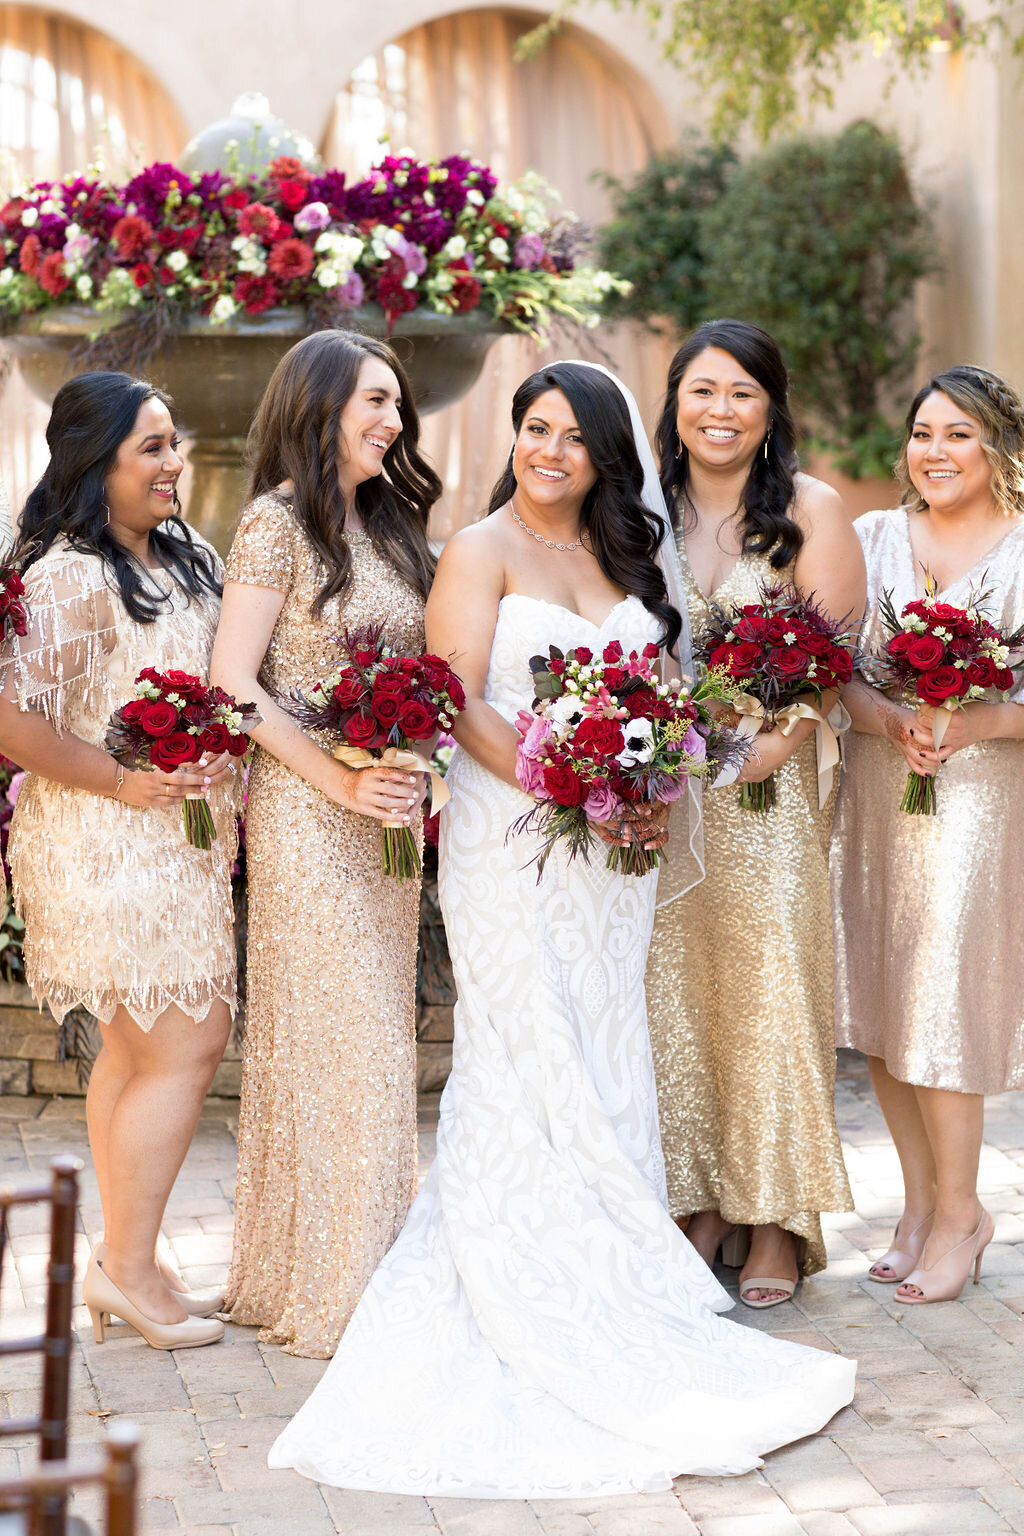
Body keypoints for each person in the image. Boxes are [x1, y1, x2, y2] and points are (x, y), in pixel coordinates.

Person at [267, 361, 855, 1496]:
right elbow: (457, 694)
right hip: (513, 840)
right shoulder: (478, 549)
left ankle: (618, 1269)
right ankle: (524, 1274)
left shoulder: (626, 554)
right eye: (533, 428)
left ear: (603, 454)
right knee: (521, 1042)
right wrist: (565, 775)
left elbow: (662, 693)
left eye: (572, 436)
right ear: (515, 438)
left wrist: (643, 778)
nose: (549, 450)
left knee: (603, 1043)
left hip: (615, 854)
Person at [0, 371, 240, 1350]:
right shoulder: (67, 576)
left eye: (174, 443)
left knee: (142, 1048)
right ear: (94, 463)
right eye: (153, 447)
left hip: (176, 845)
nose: (175, 463)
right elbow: (11, 718)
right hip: (102, 838)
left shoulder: (185, 557)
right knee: (189, 1041)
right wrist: (122, 781)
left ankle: (122, 1257)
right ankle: (130, 1270)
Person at [213, 329, 441, 1358]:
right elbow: (232, 687)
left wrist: (407, 767)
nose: (393, 421)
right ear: (319, 409)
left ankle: (349, 1266)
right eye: (374, 403)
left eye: (396, 404)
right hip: (310, 818)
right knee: (338, 1042)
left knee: (373, 1044)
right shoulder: (273, 526)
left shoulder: (393, 524)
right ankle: (337, 1291)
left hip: (386, 814)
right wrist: (339, 776)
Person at [645, 319, 865, 1306]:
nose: (719, 410)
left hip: (768, 799)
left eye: (740, 392)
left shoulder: (811, 510)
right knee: (677, 998)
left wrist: (772, 741)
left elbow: (836, 662)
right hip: (661, 797)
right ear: (674, 401)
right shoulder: (640, 508)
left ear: (769, 406)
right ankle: (697, 1201)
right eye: (702, 390)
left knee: (771, 987)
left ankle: (776, 1218)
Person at [832, 364, 1024, 1303]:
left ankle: (964, 1215)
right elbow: (840, 672)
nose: (936, 451)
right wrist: (884, 719)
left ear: (998, 446)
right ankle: (915, 1208)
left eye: (958, 433)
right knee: (883, 1000)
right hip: (877, 791)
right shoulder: (871, 539)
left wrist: (977, 723)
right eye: (923, 433)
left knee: (944, 1004)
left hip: (980, 806)